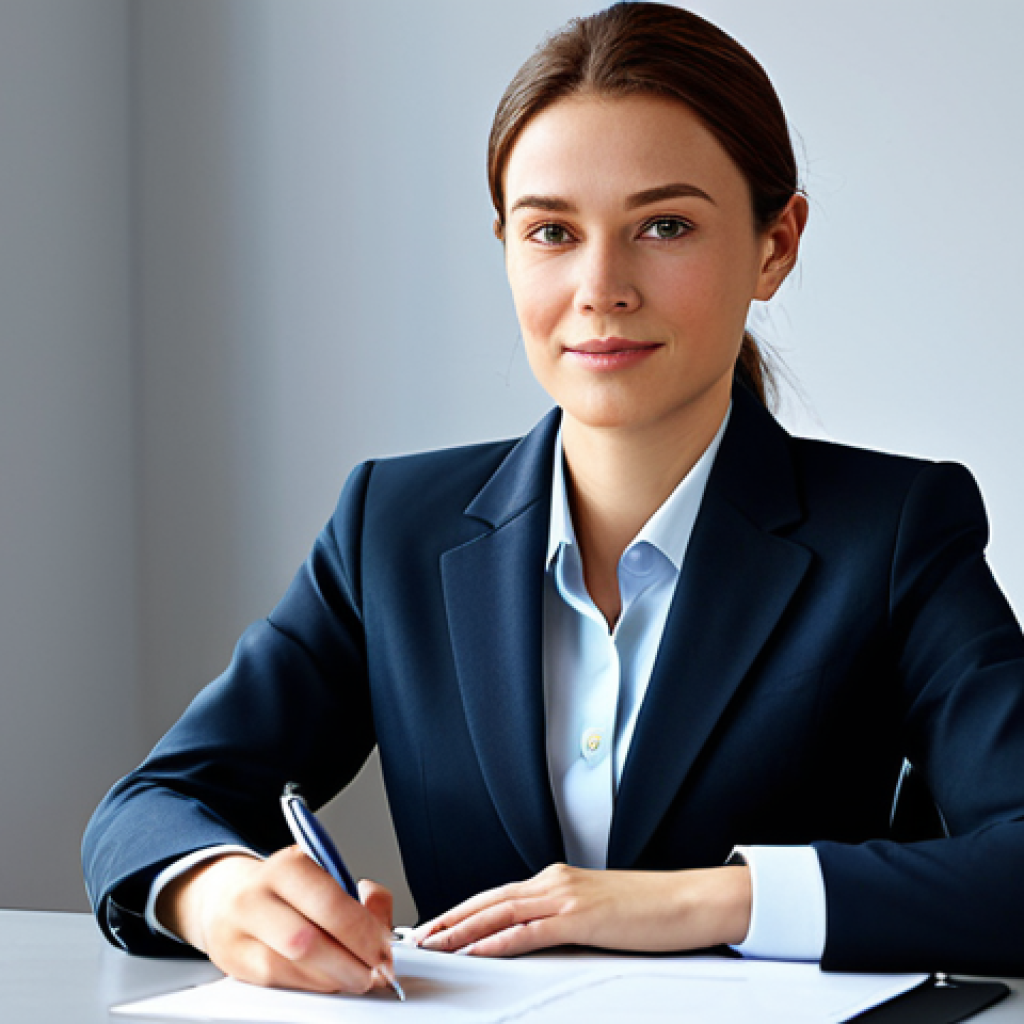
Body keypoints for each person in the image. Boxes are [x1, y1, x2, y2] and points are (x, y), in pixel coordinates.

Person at [83, 1, 1024, 995]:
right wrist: (221, 893)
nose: (600, 285)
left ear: (773, 244)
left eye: (663, 225)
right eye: (550, 231)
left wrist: (705, 900)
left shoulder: (893, 532)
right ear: (506, 245)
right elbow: (152, 805)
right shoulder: (391, 528)